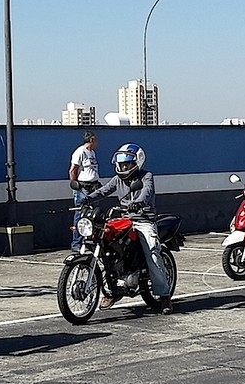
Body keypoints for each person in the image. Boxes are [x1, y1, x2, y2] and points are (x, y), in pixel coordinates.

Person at [83, 142, 173, 314]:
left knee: (153, 251)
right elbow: (104, 191)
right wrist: (87, 199)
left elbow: (147, 192)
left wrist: (137, 203)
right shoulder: (118, 179)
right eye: (122, 164)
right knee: (105, 243)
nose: (124, 166)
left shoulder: (146, 176)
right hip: (124, 219)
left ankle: (164, 296)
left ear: (137, 162)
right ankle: (112, 288)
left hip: (143, 220)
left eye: (128, 164)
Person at [69, 130, 100, 250]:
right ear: (91, 140)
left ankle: (89, 241)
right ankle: (76, 243)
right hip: (83, 188)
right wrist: (74, 184)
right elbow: (73, 170)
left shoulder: (92, 153)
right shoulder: (80, 152)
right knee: (80, 214)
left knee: (92, 215)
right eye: (96, 140)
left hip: (93, 186)